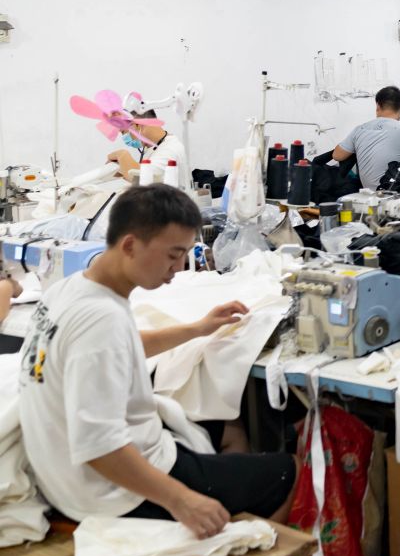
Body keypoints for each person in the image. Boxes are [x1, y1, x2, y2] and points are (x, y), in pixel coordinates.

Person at [18, 185, 295, 536]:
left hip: (62, 476)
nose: (178, 267)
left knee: (229, 428)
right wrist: (182, 500)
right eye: (173, 255)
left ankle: (225, 507)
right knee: (288, 470)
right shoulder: (102, 319)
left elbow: (123, 345)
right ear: (130, 245)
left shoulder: (69, 289)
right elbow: (99, 446)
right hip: (108, 492)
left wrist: (197, 328)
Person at [332, 86, 400, 189]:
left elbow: (337, 156)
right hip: (396, 192)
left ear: (378, 106)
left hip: (368, 193)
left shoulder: (359, 129)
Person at [106, 110, 188, 189]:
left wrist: (122, 155)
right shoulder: (153, 147)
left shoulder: (170, 149)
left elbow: (144, 181)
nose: (125, 138)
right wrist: (121, 169)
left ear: (137, 124)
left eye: (123, 132)